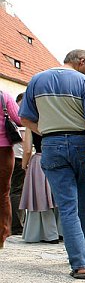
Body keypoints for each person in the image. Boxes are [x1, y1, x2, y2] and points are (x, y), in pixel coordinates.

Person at [19, 49, 85, 279]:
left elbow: (25, 118)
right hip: (82, 144)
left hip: (52, 145)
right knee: (84, 203)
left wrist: (47, 132)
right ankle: (82, 251)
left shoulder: (37, 80)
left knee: (67, 206)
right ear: (82, 61)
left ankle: (79, 263)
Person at [20, 120, 59, 243]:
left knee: (41, 199)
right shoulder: (56, 120)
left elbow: (27, 150)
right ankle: (62, 231)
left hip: (40, 160)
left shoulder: (31, 123)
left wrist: (24, 166)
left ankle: (49, 234)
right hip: (59, 159)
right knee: (59, 198)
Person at [0, 89, 23, 248]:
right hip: (3, 151)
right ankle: (1, 235)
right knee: (3, 193)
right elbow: (20, 119)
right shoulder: (4, 96)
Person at [10, 92, 26, 235]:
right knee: (17, 191)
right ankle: (17, 225)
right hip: (19, 157)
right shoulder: (22, 119)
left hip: (11, 155)